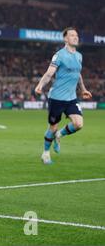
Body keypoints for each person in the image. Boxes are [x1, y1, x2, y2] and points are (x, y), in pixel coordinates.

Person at [35, 27, 92, 164]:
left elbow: (78, 74)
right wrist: (40, 85)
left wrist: (83, 89)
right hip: (57, 98)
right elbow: (49, 73)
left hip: (71, 98)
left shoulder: (79, 56)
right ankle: (46, 153)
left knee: (78, 124)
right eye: (72, 35)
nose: (75, 37)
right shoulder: (59, 55)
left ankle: (59, 135)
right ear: (65, 39)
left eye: (76, 35)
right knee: (52, 127)